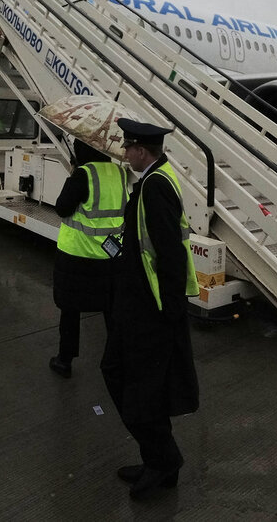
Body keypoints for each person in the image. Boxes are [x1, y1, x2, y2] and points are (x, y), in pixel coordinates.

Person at [101, 118, 200, 500]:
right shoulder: (153, 179)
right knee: (133, 381)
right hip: (138, 301)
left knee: (135, 385)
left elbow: (171, 253)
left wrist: (171, 309)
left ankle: (163, 461)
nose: (124, 155)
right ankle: (158, 459)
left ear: (142, 151)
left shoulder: (155, 186)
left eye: (128, 149)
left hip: (151, 307)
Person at [49, 139, 128, 378]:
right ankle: (117, 358)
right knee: (111, 309)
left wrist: (73, 174)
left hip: (78, 255)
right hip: (111, 254)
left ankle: (65, 360)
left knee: (70, 309)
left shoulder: (83, 175)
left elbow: (62, 208)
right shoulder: (119, 172)